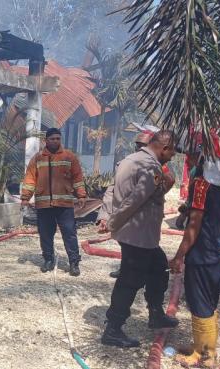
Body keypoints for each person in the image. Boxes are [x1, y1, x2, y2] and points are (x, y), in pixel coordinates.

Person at [170, 135, 220, 368]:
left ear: (203, 156)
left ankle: (203, 357)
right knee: (208, 303)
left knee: (199, 302)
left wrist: (180, 254)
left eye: (193, 155)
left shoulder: (202, 184)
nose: (189, 159)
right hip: (218, 252)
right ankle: (204, 349)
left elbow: (194, 224)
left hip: (202, 253)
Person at [100, 131, 179, 348]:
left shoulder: (129, 160)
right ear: (164, 147)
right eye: (172, 151)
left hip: (142, 236)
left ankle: (156, 314)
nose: (172, 156)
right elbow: (135, 200)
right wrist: (113, 222)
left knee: (160, 267)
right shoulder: (150, 167)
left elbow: (116, 191)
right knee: (129, 282)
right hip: (137, 235)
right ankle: (113, 329)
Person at [97, 131, 175, 278]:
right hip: (137, 231)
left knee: (157, 268)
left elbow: (151, 195)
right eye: (138, 146)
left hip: (135, 230)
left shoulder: (148, 164)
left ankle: (153, 299)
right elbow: (128, 197)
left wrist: (109, 219)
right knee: (133, 278)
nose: (141, 149)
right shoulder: (148, 165)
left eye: (143, 145)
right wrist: (107, 219)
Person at [21, 128, 87, 276]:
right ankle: (48, 259)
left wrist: (81, 196)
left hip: (64, 205)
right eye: (52, 139)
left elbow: (77, 178)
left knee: (69, 234)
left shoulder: (69, 157)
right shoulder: (37, 158)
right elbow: (30, 179)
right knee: (45, 234)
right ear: (46, 140)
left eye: (58, 138)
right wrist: (25, 197)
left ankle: (74, 262)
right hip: (44, 206)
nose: (56, 141)